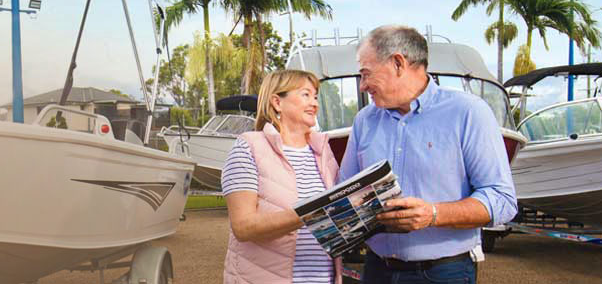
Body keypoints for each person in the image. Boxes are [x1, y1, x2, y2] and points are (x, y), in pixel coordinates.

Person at [340, 25, 517, 284]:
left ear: (398, 63)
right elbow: (345, 189)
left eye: (366, 74)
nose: (364, 85)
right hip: (376, 269)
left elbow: (502, 200)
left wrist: (433, 214)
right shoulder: (364, 120)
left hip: (443, 274)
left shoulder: (468, 113)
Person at [221, 70, 341, 284]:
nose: (314, 103)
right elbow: (243, 227)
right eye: (305, 95)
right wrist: (310, 212)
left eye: (315, 96)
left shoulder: (323, 152)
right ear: (277, 102)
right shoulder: (248, 146)